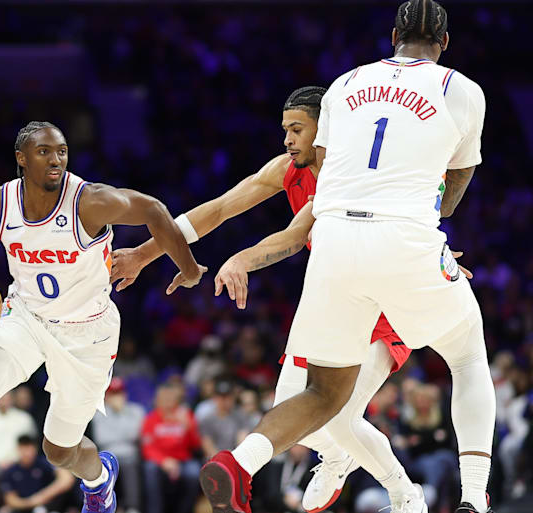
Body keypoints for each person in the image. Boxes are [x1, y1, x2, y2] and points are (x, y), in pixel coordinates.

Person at [195, 3, 494, 513]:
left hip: (333, 240)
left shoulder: (345, 83)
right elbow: (458, 177)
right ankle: (473, 497)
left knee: (321, 393)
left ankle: (241, 461)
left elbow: (332, 172)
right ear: (444, 43)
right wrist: (428, 232)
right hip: (402, 239)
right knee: (466, 355)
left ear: (393, 35)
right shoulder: (460, 89)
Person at [0, 121, 206, 513]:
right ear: (21, 159)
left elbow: (154, 210)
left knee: (58, 450)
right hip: (25, 317)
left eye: (61, 151)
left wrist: (190, 268)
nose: (56, 159)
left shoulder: (89, 201)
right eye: (44, 152)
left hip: (87, 333)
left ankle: (99, 480)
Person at [112, 86, 420, 512]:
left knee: (341, 413)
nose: (288, 140)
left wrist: (242, 260)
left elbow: (295, 237)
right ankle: (333, 456)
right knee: (290, 415)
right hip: (332, 296)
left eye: (297, 129)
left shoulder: (350, 175)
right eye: (285, 130)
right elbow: (219, 208)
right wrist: (144, 255)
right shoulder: (287, 169)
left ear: (325, 128)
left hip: (381, 298)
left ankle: (406, 494)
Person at [140, 382, 201, 513]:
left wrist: (189, 427)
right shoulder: (151, 419)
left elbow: (196, 445)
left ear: (176, 400)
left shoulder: (186, 415)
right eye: (163, 398)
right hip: (160, 462)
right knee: (150, 468)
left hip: (183, 461)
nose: (167, 402)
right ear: (157, 400)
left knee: (194, 472)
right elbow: (147, 448)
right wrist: (164, 461)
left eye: (170, 398)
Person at [90, 378, 145, 513]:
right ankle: (104, 508)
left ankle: (132, 508)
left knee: (129, 463)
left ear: (125, 394)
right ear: (106, 396)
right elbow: (102, 438)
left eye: (119, 393)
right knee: (105, 467)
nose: (117, 397)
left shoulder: (136, 411)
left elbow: (136, 435)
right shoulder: (98, 413)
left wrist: (121, 414)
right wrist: (124, 433)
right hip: (107, 455)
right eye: (113, 394)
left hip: (130, 455)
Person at [0, 435, 75, 513]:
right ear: (18, 449)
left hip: (46, 505)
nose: (27, 453)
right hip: (23, 506)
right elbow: (10, 499)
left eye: (29, 448)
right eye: (24, 449)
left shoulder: (44, 463)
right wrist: (31, 502)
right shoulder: (10, 471)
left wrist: (42, 496)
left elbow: (66, 479)